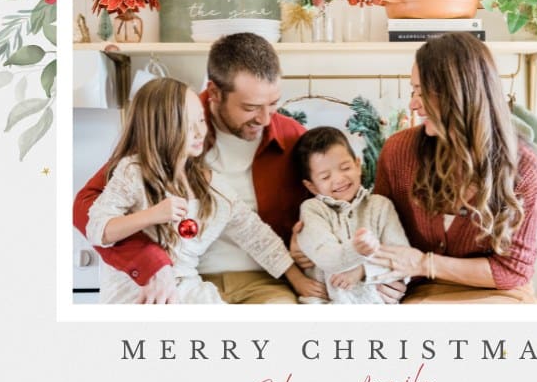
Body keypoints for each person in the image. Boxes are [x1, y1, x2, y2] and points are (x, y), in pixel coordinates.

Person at [74, 32, 326, 304]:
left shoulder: (291, 138)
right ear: (215, 92)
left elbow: (266, 226)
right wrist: (152, 261)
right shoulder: (171, 122)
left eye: (273, 104)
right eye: (250, 107)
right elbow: (87, 210)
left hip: (262, 280)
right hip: (181, 278)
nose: (265, 119)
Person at [301, 32, 537, 304]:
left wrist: (425, 264)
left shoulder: (522, 168)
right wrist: (312, 234)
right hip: (422, 292)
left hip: (500, 294)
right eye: (413, 91)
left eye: (423, 92)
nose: (413, 103)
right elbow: (373, 224)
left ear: (459, 92)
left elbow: (513, 270)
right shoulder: (399, 152)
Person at [85, 78, 297, 303]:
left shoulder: (209, 184)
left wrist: (297, 278)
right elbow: (97, 229)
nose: (200, 132)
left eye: (202, 120)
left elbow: (253, 232)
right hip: (136, 291)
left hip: (187, 287)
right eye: (188, 124)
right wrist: (153, 215)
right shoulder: (133, 171)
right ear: (160, 128)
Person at [292, 126, 410, 304]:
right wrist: (357, 250)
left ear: (357, 165)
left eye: (345, 167)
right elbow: (326, 258)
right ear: (312, 186)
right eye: (325, 177)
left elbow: (404, 260)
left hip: (377, 304)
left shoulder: (380, 206)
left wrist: (364, 270)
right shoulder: (312, 210)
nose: (339, 179)